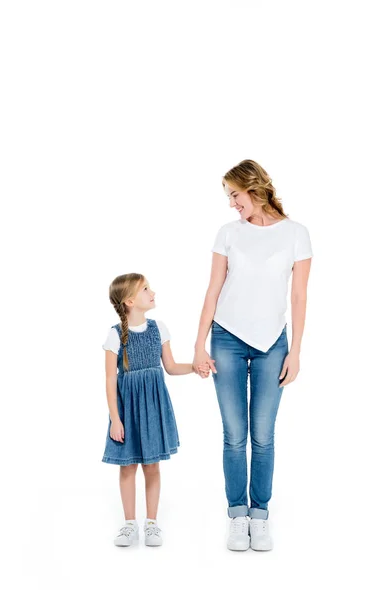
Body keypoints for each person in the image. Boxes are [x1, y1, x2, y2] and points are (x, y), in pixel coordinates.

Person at [192, 159, 313, 552]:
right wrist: (198, 344)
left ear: (254, 189)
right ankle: (236, 514)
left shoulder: (296, 234)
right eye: (228, 197)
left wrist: (295, 351)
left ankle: (259, 516)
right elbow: (213, 290)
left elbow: (298, 296)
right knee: (234, 436)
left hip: (272, 344)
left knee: (262, 436)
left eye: (234, 195)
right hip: (226, 338)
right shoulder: (228, 233)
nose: (231, 204)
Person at [102, 273, 209, 547]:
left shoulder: (159, 328)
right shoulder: (114, 336)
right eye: (146, 289)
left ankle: (151, 523)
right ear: (129, 301)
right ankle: (129, 524)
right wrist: (115, 418)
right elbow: (110, 380)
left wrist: (195, 368)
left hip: (153, 408)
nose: (153, 292)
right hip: (128, 411)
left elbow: (171, 367)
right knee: (127, 468)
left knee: (152, 466)